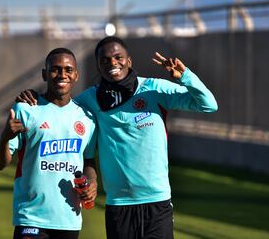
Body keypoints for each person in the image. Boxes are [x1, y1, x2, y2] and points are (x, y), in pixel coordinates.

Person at [17, 36, 218, 239]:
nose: (112, 63)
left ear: (128, 61)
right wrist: (34, 97)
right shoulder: (90, 99)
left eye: (118, 57)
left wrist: (185, 76)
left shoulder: (155, 89)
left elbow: (208, 104)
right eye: (105, 60)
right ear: (98, 66)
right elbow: (60, 105)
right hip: (118, 205)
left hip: (157, 202)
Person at [0, 48, 98, 239]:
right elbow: (0, 163)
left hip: (69, 219)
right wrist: (5, 137)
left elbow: (88, 160)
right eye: (55, 69)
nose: (62, 75)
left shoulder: (87, 118)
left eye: (68, 70)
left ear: (76, 75)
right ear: (44, 74)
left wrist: (92, 182)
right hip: (31, 217)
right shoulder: (26, 109)